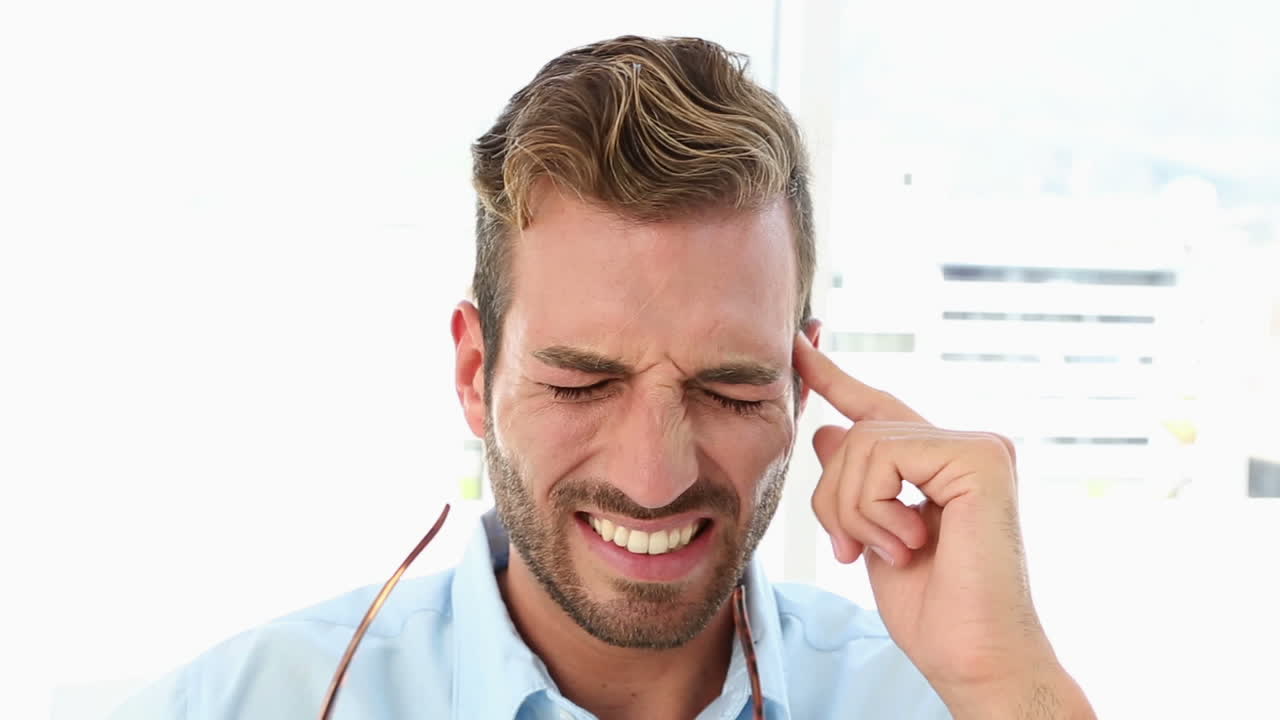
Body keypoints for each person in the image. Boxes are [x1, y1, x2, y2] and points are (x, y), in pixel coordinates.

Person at [112, 35, 1094, 720]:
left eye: (729, 387)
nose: (653, 475)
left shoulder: (941, 704)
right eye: (581, 385)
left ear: (802, 387)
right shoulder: (246, 705)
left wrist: (1006, 686)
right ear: (473, 368)